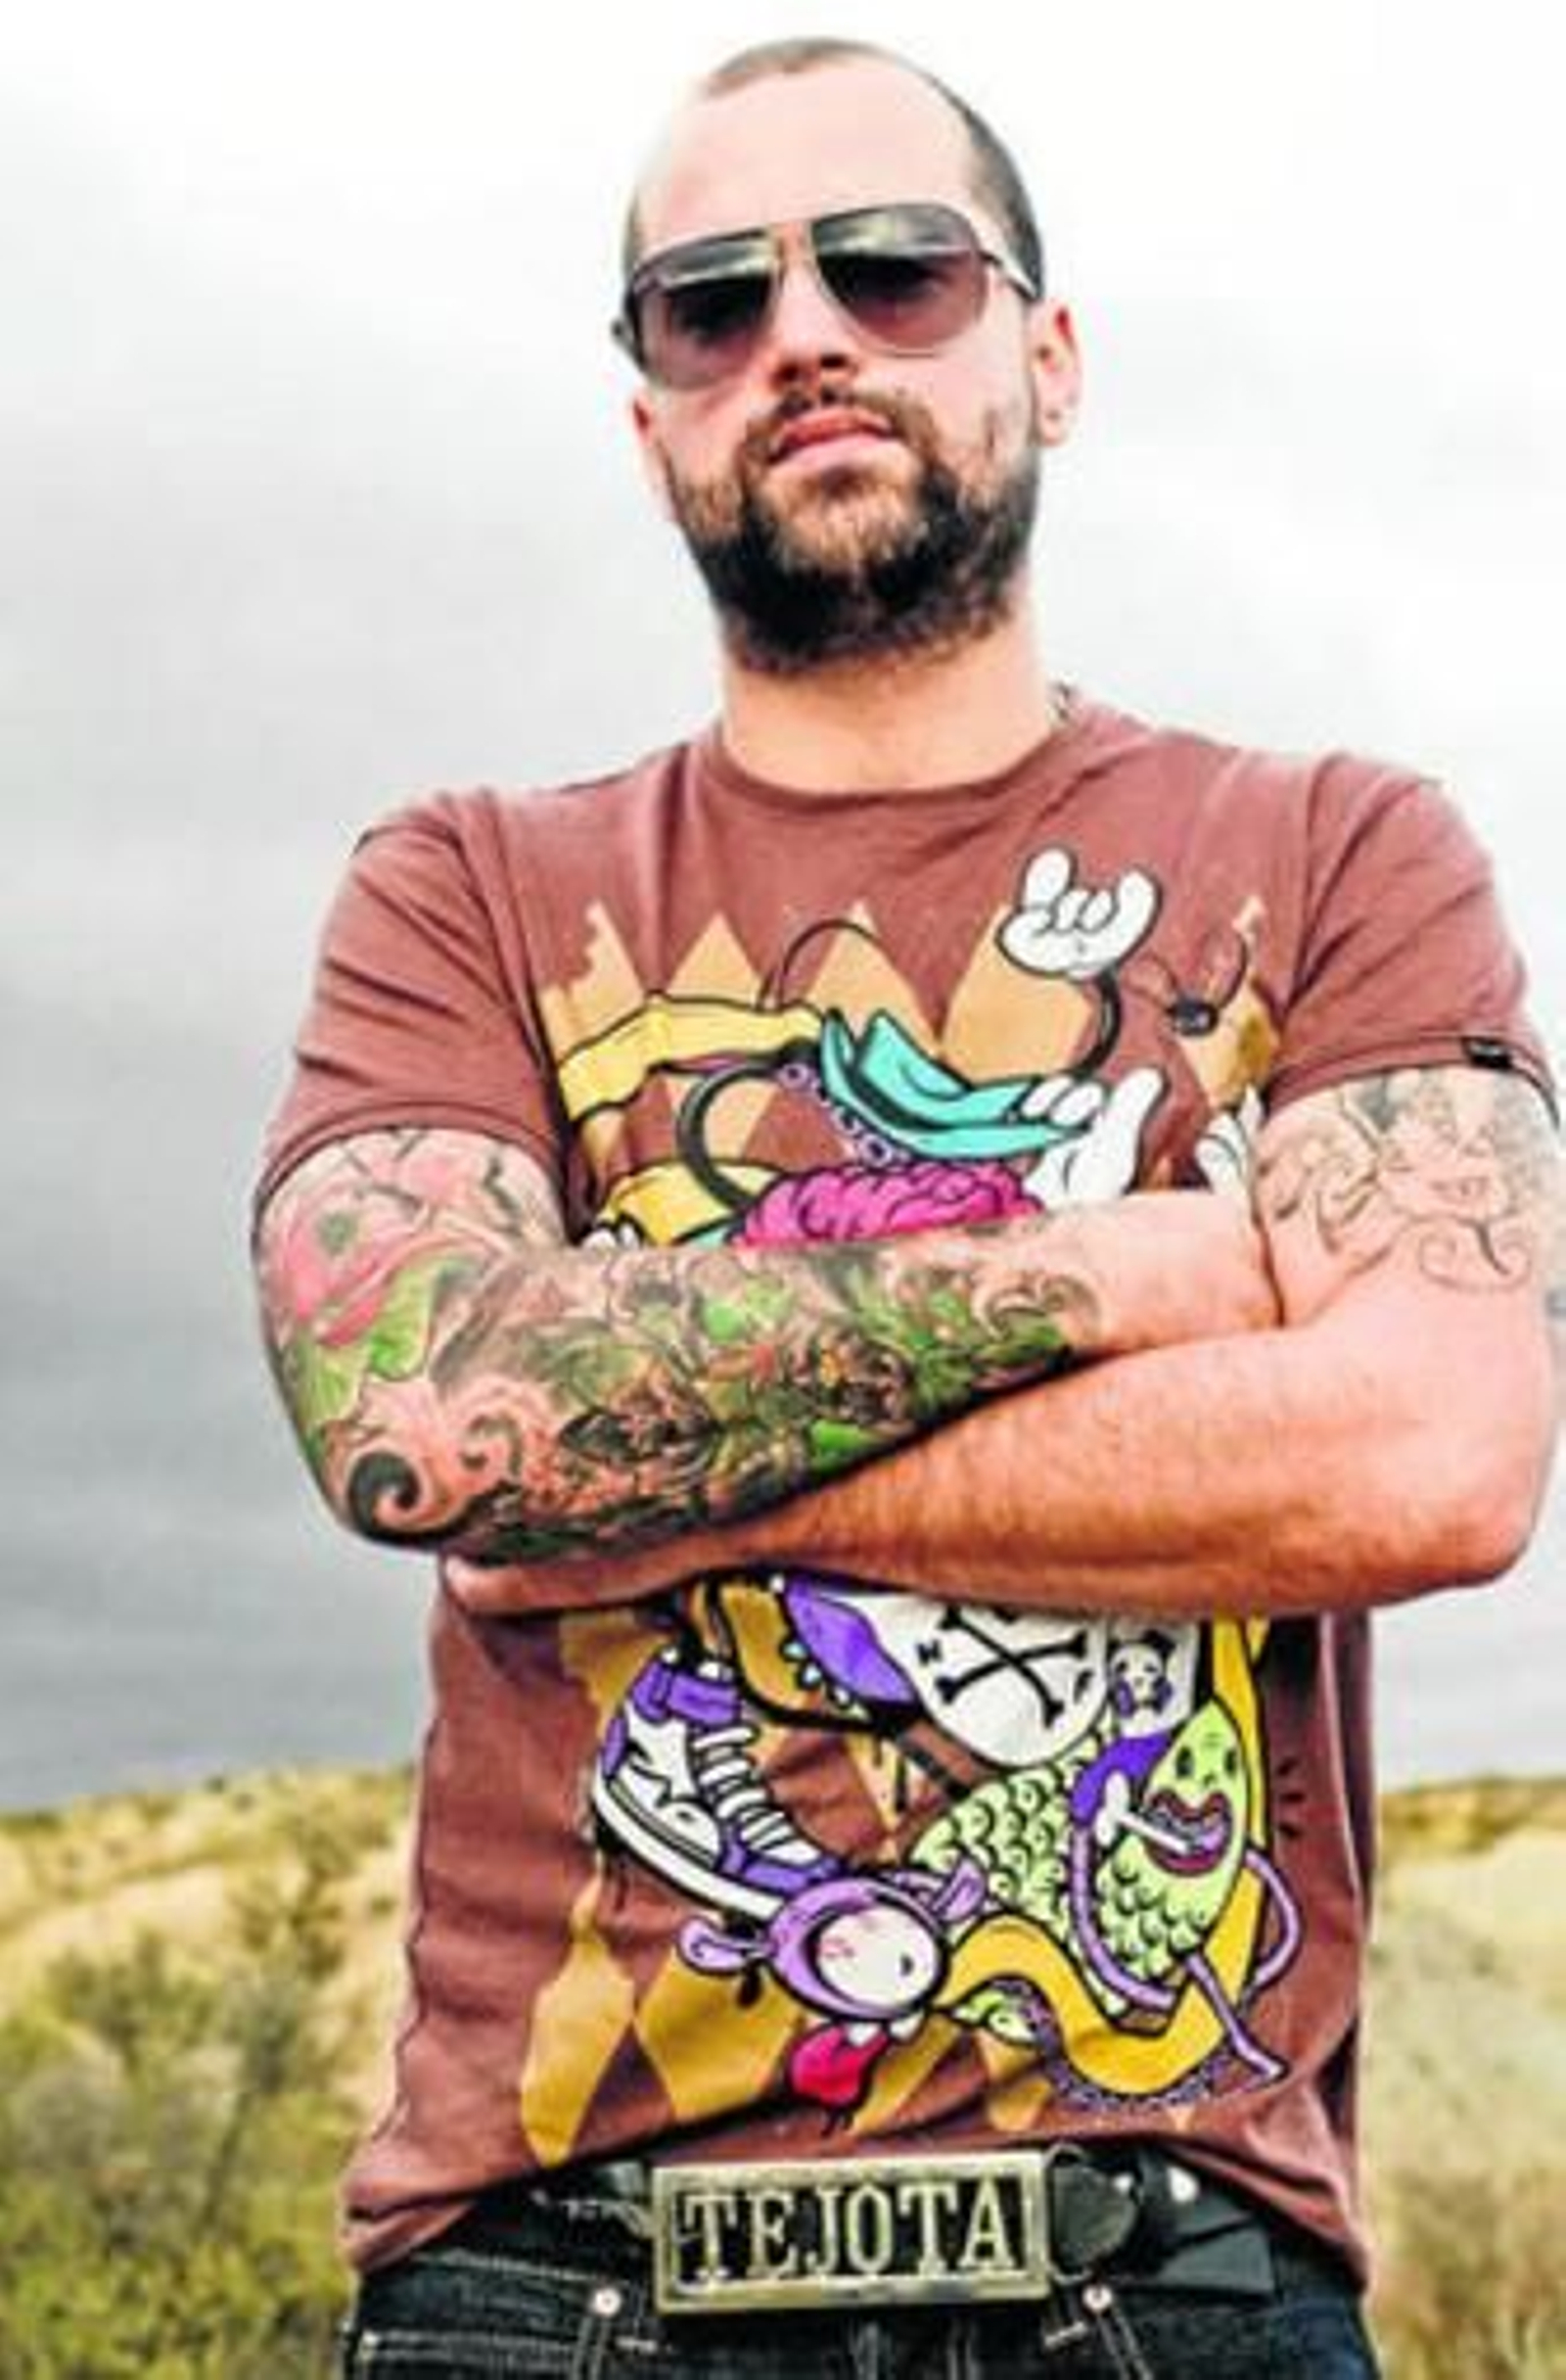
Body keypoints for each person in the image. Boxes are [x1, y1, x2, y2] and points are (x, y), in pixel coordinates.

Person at [253, 36, 1559, 2379]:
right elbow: (422, 1412)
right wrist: (1124, 1275)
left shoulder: (1336, 852)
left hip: (1168, 2274)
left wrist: (635, 1471)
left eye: (889, 268)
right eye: (710, 301)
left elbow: (1428, 1453)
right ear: (648, 415)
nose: (803, 336)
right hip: (554, 2277)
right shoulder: (466, 888)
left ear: (1042, 353)